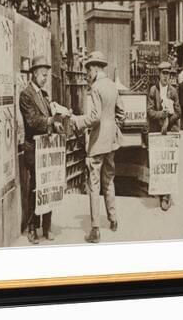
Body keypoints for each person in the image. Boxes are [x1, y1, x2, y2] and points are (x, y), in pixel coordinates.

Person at [70, 51, 126, 243]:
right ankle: (113, 219)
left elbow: (94, 117)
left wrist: (77, 121)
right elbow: (122, 113)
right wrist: (113, 129)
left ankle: (95, 230)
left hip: (97, 143)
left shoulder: (95, 88)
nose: (87, 75)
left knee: (94, 184)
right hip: (111, 143)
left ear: (94, 69)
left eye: (87, 71)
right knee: (109, 180)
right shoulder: (112, 85)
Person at [19, 55, 64, 244]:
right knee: (36, 188)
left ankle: (46, 227)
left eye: (47, 75)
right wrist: (50, 121)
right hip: (34, 149)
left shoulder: (44, 96)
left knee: (49, 187)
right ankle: (32, 228)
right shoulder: (26, 95)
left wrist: (56, 126)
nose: (45, 78)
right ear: (35, 74)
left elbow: (48, 120)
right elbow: (32, 121)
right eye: (43, 75)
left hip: (47, 149)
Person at [147, 61, 181, 211]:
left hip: (170, 130)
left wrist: (169, 120)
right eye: (163, 73)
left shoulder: (173, 91)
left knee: (168, 163)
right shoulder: (153, 91)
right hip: (156, 130)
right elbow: (149, 111)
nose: (165, 76)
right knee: (158, 163)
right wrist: (162, 115)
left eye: (168, 73)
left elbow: (179, 111)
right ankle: (160, 192)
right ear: (159, 74)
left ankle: (166, 195)